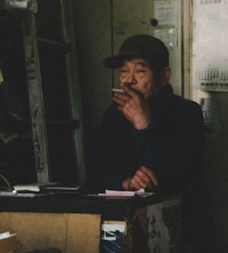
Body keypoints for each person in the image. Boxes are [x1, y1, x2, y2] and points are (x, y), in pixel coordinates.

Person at [87, 35, 205, 195]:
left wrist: (143, 124)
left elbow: (180, 176)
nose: (129, 80)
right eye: (124, 71)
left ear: (164, 76)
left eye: (140, 71)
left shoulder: (187, 113)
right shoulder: (115, 113)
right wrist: (126, 182)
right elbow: (95, 173)